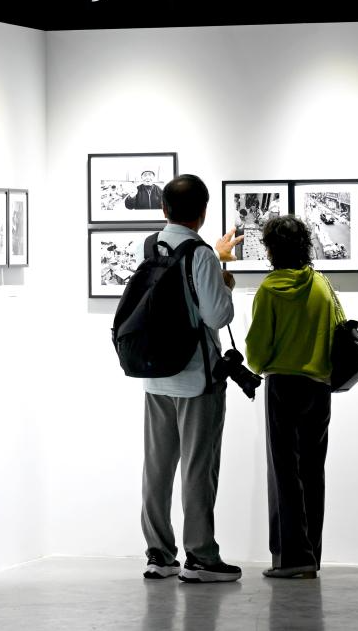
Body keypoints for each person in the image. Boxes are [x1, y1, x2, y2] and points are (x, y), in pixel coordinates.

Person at [135, 174, 245, 583]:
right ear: (203, 212)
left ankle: (159, 555)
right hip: (197, 378)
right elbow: (217, 316)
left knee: (157, 468)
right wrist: (224, 280)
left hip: (155, 375)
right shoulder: (200, 254)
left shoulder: (150, 245)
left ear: (163, 209)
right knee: (198, 468)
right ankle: (200, 556)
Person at [245, 215, 339, 580]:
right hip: (319, 386)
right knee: (313, 472)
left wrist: (263, 363)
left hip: (283, 386)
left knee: (284, 472)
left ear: (271, 250)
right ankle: (311, 556)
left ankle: (291, 558)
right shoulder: (321, 285)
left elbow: (256, 353)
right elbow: (337, 332)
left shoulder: (270, 290)